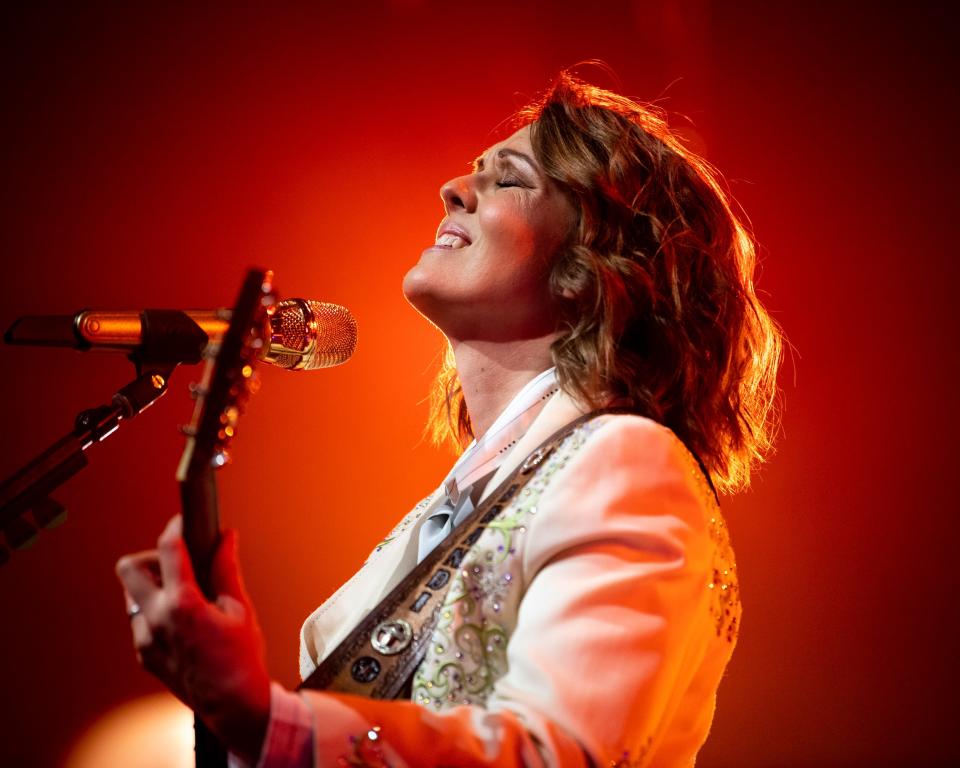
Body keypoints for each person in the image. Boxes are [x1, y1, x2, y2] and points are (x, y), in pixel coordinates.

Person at [116, 72, 782, 767]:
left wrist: (260, 716)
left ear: (590, 266)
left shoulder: (629, 463)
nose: (454, 188)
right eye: (474, 172)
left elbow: (557, 755)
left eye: (510, 178)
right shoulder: (457, 504)